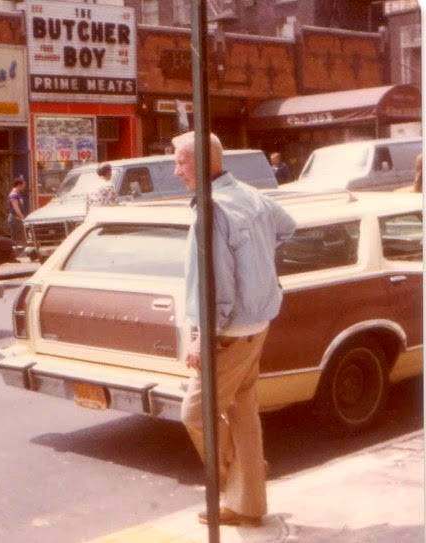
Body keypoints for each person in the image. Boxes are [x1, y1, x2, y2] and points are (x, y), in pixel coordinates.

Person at [174, 131, 295, 527]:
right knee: (243, 413)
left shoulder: (212, 210)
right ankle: (250, 505)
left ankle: (243, 479)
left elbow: (217, 290)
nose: (176, 172)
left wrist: (199, 338)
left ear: (204, 162)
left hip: (230, 333)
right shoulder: (249, 194)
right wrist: (256, 263)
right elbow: (287, 226)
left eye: (181, 162)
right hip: (258, 325)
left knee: (195, 413)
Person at [7, 176, 27, 249]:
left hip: (18, 219)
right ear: (19, 185)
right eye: (23, 185)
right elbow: (16, 208)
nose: (24, 187)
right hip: (15, 219)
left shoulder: (18, 194)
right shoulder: (13, 194)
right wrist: (23, 218)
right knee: (16, 239)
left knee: (21, 238)